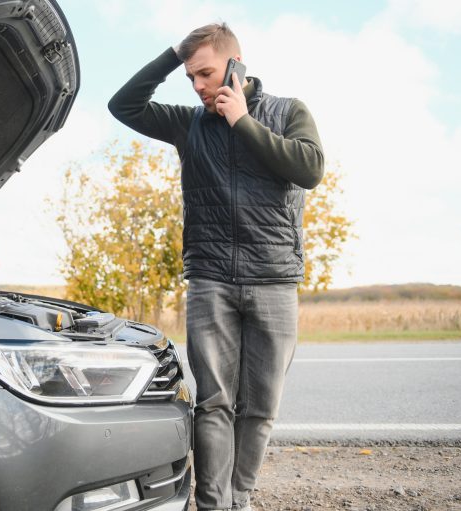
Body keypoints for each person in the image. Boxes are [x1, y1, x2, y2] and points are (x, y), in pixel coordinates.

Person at [108, 23, 324, 511]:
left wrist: (243, 121)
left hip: (274, 279)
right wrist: (173, 54)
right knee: (214, 403)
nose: (199, 86)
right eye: (191, 77)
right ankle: (211, 504)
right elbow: (123, 106)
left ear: (236, 64)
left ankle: (238, 499)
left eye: (206, 73)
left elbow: (309, 169)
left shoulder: (289, 111)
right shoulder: (188, 124)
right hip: (210, 280)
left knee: (260, 408)